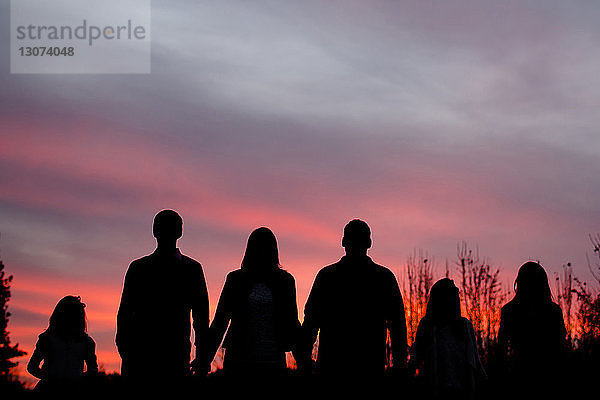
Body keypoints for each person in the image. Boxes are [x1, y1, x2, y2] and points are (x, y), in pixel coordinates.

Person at [300, 219, 407, 377]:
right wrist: (399, 363)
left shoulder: (327, 277)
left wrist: (304, 359)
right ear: (370, 243)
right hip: (368, 366)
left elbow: (311, 322)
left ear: (343, 242)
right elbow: (397, 326)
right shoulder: (384, 278)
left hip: (335, 366)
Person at [116, 210, 210, 378]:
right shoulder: (138, 268)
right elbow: (124, 313)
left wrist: (202, 355)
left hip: (174, 356)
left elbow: (201, 317)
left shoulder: (192, 270)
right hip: (141, 356)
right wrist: (125, 350)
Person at [208, 227, 301, 376]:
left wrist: (303, 360)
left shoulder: (285, 281)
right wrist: (205, 358)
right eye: (258, 247)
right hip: (239, 361)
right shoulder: (235, 280)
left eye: (266, 247)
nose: (262, 252)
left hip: (273, 360)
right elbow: (220, 321)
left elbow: (292, 322)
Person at [409, 278, 486, 399]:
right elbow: (417, 355)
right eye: (446, 296)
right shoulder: (427, 325)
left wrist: (482, 381)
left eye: (452, 296)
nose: (449, 300)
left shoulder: (465, 326)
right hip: (434, 390)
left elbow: (474, 360)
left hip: (461, 391)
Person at [497, 261, 567, 392]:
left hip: (535, 375)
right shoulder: (553, 311)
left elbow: (501, 350)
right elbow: (561, 347)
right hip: (529, 375)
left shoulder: (509, 311)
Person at [27, 296, 98, 390]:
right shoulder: (46, 339)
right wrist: (49, 379)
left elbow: (93, 370)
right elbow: (32, 366)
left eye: (74, 315)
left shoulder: (87, 343)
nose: (70, 319)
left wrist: (78, 381)